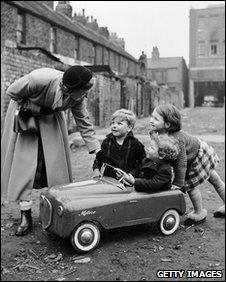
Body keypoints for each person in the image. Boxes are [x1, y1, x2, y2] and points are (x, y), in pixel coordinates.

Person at [1, 65, 101, 236]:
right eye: (84, 91)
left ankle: (53, 210)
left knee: (53, 166)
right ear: (70, 89)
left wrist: (97, 150)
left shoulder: (77, 97)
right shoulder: (38, 80)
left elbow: (83, 122)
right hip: (26, 118)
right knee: (24, 167)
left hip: (50, 120)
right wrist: (36, 108)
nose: (85, 96)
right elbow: (11, 92)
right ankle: (25, 214)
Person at [149, 103, 225, 225]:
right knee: (214, 180)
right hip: (190, 157)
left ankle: (198, 213)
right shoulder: (156, 133)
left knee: (193, 185)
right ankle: (199, 211)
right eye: (152, 116)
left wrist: (178, 183)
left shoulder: (177, 139)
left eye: (155, 118)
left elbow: (181, 163)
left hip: (196, 156)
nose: (151, 120)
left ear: (167, 124)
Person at [93, 109, 146, 179]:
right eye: (112, 123)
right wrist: (96, 170)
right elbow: (98, 159)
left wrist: (132, 175)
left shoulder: (136, 144)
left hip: (127, 181)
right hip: (108, 180)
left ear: (129, 128)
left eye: (119, 123)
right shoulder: (106, 142)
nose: (114, 126)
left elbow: (143, 163)